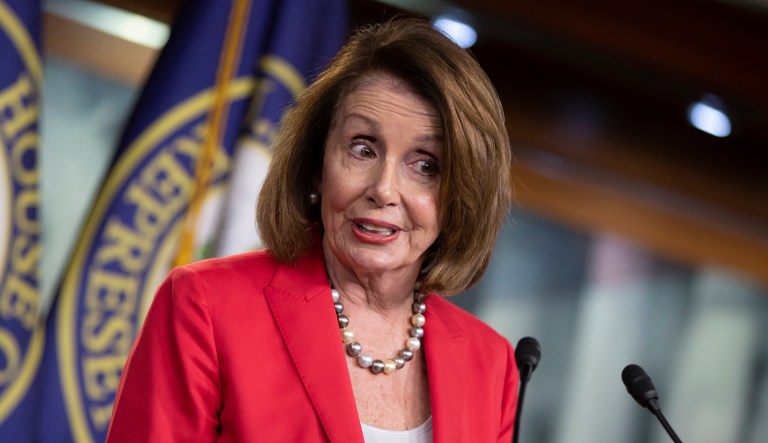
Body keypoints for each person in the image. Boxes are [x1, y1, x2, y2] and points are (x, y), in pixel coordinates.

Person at [107, 16, 517, 442]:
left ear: (461, 196)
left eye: (426, 165)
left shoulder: (492, 365)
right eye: (362, 148)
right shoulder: (206, 307)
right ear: (317, 165)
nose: (383, 189)